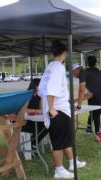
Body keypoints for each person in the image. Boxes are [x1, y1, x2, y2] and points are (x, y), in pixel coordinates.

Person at [38, 40, 86, 179]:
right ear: (65, 52)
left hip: (60, 109)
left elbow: (40, 89)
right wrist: (52, 109)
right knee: (59, 141)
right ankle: (58, 170)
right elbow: (51, 89)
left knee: (66, 138)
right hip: (59, 110)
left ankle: (72, 162)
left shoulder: (51, 66)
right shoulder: (58, 67)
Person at [72, 63, 101, 136]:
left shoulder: (82, 73)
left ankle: (98, 132)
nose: (73, 75)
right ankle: (89, 129)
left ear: (77, 70)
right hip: (94, 95)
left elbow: (82, 91)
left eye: (73, 72)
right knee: (92, 112)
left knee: (96, 113)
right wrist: (76, 100)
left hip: (99, 95)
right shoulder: (85, 73)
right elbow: (89, 94)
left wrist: (78, 105)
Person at [22, 78, 49, 151]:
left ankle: (33, 143)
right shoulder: (27, 96)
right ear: (36, 86)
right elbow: (23, 110)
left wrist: (42, 97)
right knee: (45, 126)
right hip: (25, 123)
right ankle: (33, 144)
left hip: (34, 120)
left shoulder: (38, 97)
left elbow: (41, 109)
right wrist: (36, 110)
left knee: (47, 125)